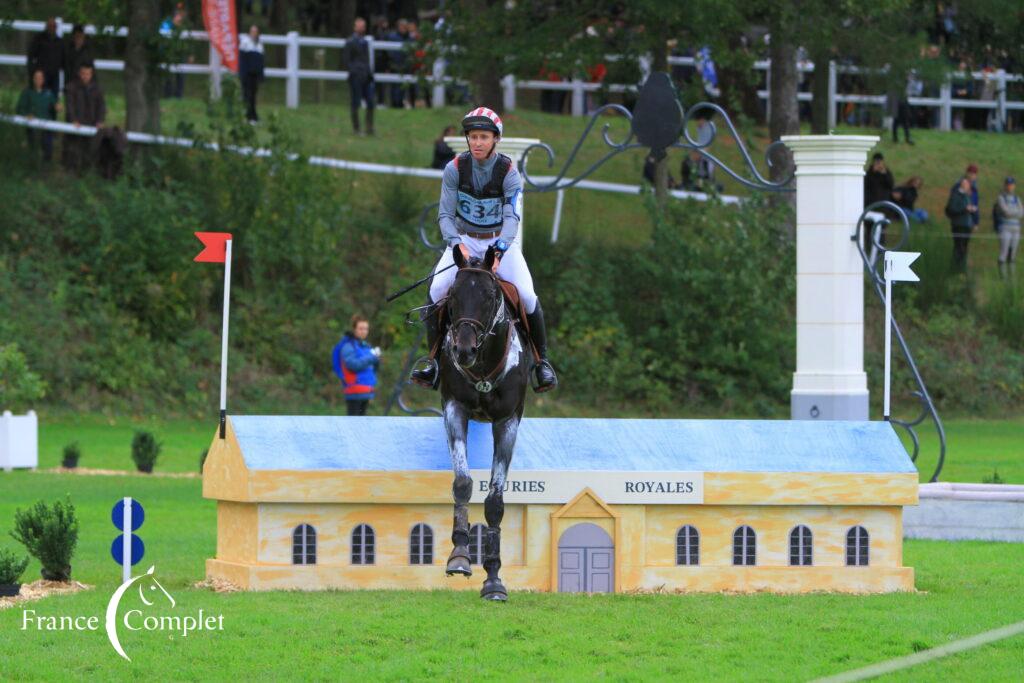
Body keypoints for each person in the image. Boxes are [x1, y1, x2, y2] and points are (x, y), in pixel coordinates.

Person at [410, 107, 558, 393]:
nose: (477, 142)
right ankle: (433, 362)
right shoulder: (454, 169)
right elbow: (444, 215)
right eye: (473, 136)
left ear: (495, 139)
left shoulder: (509, 174)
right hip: (464, 239)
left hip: (500, 241)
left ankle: (541, 363)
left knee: (527, 294)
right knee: (436, 289)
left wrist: (499, 250)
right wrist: (457, 244)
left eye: (484, 137)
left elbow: (512, 218)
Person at [332, 315, 380, 416]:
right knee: (353, 426)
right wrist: (373, 357)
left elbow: (371, 369)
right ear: (354, 329)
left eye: (366, 329)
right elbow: (353, 365)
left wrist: (376, 359)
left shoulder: (366, 346)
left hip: (366, 391)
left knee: (362, 426)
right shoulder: (348, 346)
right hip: (354, 392)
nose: (364, 331)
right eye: (361, 328)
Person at [64, 63, 106, 172]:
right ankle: (71, 170)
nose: (85, 76)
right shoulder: (71, 87)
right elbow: (69, 106)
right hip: (76, 124)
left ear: (91, 74)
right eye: (83, 73)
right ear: (79, 73)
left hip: (92, 124)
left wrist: (100, 120)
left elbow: (102, 106)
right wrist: (73, 120)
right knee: (74, 148)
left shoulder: (97, 89)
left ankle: (87, 171)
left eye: (88, 74)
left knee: (90, 149)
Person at [16, 69, 61, 162]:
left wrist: (58, 107)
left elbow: (55, 105)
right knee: (33, 148)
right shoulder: (27, 92)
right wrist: (26, 115)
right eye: (36, 78)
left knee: (48, 148)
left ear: (43, 79)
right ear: (33, 79)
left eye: (40, 78)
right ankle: (32, 167)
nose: (38, 80)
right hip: (32, 126)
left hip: (46, 127)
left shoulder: (48, 93)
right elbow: (19, 109)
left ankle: (46, 169)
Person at [344, 17, 375, 136]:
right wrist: (355, 71)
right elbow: (347, 61)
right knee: (355, 102)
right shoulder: (350, 42)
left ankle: (369, 127)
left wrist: (368, 73)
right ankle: (356, 128)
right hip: (356, 76)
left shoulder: (365, 42)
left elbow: (367, 60)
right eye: (360, 26)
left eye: (364, 26)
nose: (363, 28)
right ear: (355, 27)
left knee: (371, 102)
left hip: (366, 76)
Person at [945, 176, 976, 271]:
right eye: (966, 184)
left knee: (965, 248)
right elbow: (952, 209)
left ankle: (962, 269)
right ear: (962, 185)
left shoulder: (967, 196)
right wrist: (965, 209)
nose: (967, 186)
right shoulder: (955, 195)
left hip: (967, 225)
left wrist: (972, 211)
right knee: (959, 248)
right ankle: (956, 268)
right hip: (958, 225)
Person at [27, 17, 63, 94]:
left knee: (53, 97)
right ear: (46, 26)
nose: (52, 28)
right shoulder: (38, 39)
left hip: (54, 75)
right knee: (40, 95)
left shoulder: (59, 42)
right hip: (41, 74)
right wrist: (33, 72)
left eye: (54, 26)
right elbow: (31, 56)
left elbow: (63, 59)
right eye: (50, 26)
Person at [239, 25, 265, 124]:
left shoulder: (260, 45)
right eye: (252, 31)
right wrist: (243, 73)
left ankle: (253, 116)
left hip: (255, 74)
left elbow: (261, 62)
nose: (254, 33)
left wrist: (261, 75)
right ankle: (247, 116)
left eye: (255, 31)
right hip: (247, 74)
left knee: (253, 96)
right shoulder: (245, 43)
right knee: (247, 95)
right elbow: (242, 60)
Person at [996, 176, 1021, 272]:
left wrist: (1013, 212)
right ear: (1005, 186)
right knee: (1004, 252)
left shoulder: (1016, 198)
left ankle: (1011, 279)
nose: (1010, 187)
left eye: (1011, 185)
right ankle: (1003, 276)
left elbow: (1022, 212)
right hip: (1005, 227)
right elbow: (1005, 212)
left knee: (1013, 253)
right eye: (1008, 185)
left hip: (1016, 228)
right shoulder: (1001, 198)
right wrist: (1015, 212)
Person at [62, 25, 95, 89]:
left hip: (84, 82)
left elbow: (91, 67)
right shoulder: (68, 50)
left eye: (81, 36)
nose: (79, 39)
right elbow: (66, 67)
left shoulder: (87, 51)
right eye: (77, 36)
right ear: (73, 37)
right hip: (71, 81)